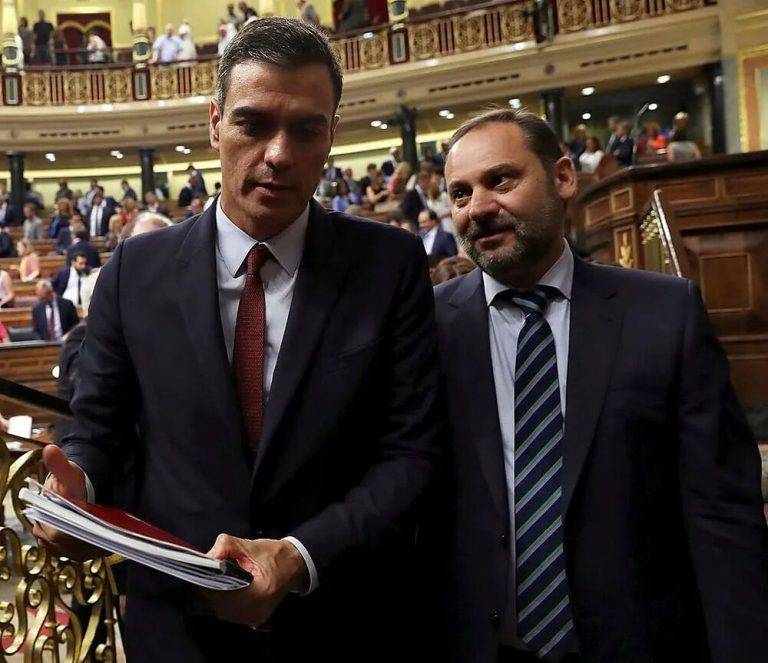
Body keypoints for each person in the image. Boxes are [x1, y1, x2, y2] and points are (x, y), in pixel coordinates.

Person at [39, 17, 439, 662]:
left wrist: (299, 555)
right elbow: (99, 430)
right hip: (175, 628)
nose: (278, 154)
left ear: (332, 136)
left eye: (306, 129)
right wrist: (77, 489)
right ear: (215, 122)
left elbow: (412, 453)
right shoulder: (133, 273)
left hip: (343, 618)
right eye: (254, 124)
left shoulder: (388, 266)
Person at [422, 107, 768, 661]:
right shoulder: (427, 326)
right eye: (460, 195)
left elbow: (722, 512)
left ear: (563, 177)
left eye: (501, 180)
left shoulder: (664, 312)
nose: (479, 209)